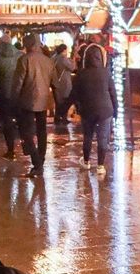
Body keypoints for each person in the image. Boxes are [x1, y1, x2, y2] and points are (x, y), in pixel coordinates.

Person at [13, 35, 56, 178]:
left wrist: (14, 98)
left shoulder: (24, 60)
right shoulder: (48, 61)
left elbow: (18, 82)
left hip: (27, 100)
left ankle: (37, 163)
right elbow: (54, 82)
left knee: (27, 133)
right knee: (42, 131)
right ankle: (40, 159)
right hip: (44, 100)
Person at [75, 43, 118, 177]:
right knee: (103, 138)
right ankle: (100, 166)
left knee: (88, 136)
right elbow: (113, 93)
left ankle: (86, 161)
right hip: (105, 110)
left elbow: (75, 94)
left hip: (87, 110)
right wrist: (115, 110)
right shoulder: (106, 73)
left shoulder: (81, 74)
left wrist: (76, 108)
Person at [0, 35, 22, 159]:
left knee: (7, 122)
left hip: (4, 95)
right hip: (19, 94)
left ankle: (11, 150)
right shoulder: (20, 55)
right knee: (22, 121)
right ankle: (26, 146)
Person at [51, 43, 75, 128]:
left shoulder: (53, 58)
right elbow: (72, 67)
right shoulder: (63, 59)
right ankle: (63, 117)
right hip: (64, 83)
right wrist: (73, 59)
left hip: (55, 82)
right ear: (64, 50)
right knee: (65, 101)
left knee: (58, 102)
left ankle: (57, 118)